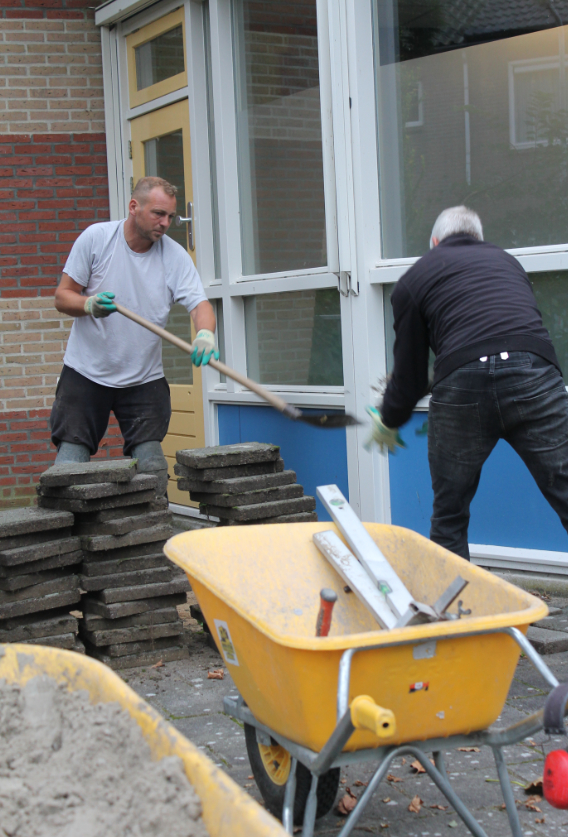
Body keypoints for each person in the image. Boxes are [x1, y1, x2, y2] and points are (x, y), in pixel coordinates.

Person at [366, 205, 568, 559]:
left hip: (461, 388)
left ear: (434, 242)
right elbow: (498, 334)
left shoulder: (413, 280)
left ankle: (455, 610)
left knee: (450, 515)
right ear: (480, 239)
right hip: (533, 375)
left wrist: (389, 417)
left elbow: (410, 376)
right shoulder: (507, 263)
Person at [51, 176, 218, 495]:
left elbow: (200, 305)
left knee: (152, 464)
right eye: (158, 213)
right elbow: (62, 296)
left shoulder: (174, 256)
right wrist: (88, 304)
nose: (165, 223)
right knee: (70, 464)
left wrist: (206, 335)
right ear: (133, 207)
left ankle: (155, 532)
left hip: (143, 377)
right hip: (86, 371)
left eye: (170, 216)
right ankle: (68, 535)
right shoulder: (97, 239)